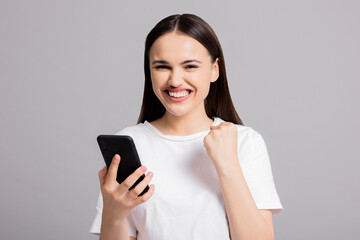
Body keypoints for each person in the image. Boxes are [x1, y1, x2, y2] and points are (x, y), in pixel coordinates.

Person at [89, 13, 284, 240]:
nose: (175, 80)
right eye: (162, 67)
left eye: (189, 66)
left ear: (214, 70)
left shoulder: (245, 142)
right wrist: (113, 213)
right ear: (149, 71)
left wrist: (228, 164)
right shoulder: (130, 145)